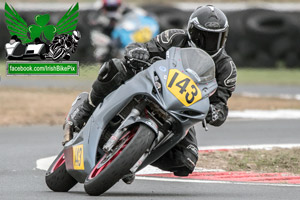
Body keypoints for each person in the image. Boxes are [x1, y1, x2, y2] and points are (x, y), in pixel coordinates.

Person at [64, 5, 237, 182]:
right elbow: (145, 47)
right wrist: (137, 51)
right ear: (191, 31)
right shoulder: (174, 37)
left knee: (186, 160)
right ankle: (86, 107)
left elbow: (221, 105)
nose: (209, 42)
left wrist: (215, 112)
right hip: (154, 84)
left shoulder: (226, 68)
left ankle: (131, 162)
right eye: (203, 36)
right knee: (117, 67)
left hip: (181, 107)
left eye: (216, 37)